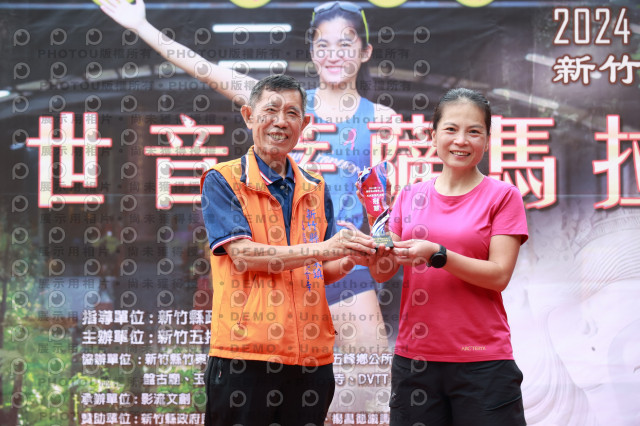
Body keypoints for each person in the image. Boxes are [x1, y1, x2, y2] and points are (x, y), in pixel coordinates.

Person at [99, 0, 395, 354]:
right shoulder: (283, 107)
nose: (334, 55)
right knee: (291, 378)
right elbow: (206, 70)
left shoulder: (383, 119)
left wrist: (376, 248)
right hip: (281, 267)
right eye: (323, 44)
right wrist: (142, 27)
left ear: (365, 52)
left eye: (345, 44)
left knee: (368, 377)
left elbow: (389, 210)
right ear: (312, 51)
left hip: (346, 269)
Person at [198, 74, 377, 425]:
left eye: (292, 113)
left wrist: (349, 259)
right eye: (271, 110)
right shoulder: (223, 179)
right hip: (245, 355)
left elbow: (319, 270)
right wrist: (324, 248)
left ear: (304, 123)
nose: (281, 121)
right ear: (249, 116)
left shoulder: (316, 187)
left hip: (311, 358)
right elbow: (243, 255)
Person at [368, 88, 529, 425]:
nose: (461, 140)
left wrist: (437, 254)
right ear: (433, 135)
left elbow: (499, 275)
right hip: (415, 361)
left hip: (483, 362)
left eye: (474, 132)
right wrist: (376, 228)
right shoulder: (410, 195)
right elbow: (382, 271)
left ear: (487, 140)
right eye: (451, 129)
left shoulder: (503, 196)